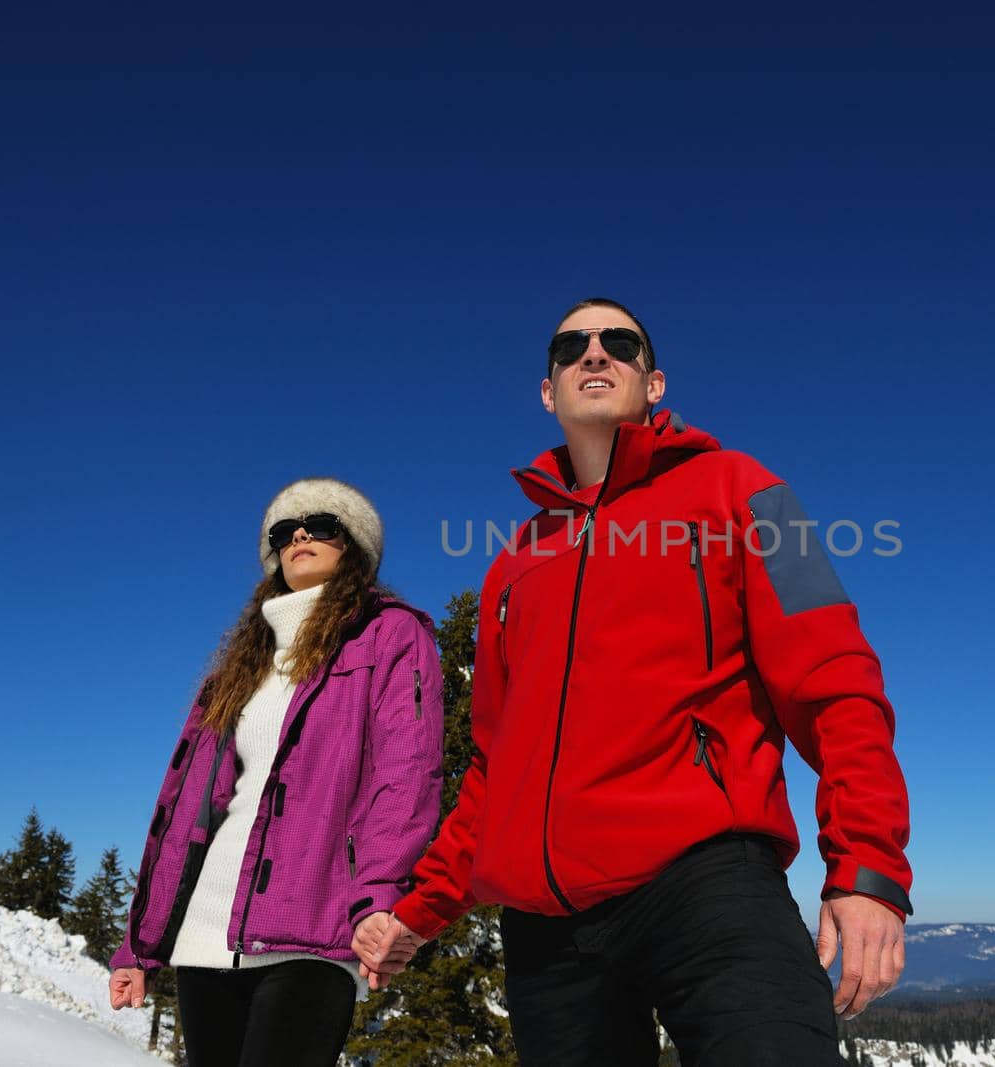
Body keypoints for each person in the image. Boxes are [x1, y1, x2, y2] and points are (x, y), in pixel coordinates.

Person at [355, 299, 913, 1065]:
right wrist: (418, 913)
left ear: (653, 383)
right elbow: (493, 769)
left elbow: (838, 679)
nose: (594, 353)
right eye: (570, 346)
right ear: (547, 391)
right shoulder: (512, 565)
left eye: (619, 343)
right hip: (547, 938)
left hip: (707, 887)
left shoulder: (750, 491)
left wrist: (867, 866)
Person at [109, 478, 444, 1067]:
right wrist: (143, 943)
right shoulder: (240, 667)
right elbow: (184, 808)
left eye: (321, 526)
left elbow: (407, 776)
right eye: (284, 532)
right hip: (206, 935)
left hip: (312, 926)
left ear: (355, 548)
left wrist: (378, 897)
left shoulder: (390, 635)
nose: (300, 538)